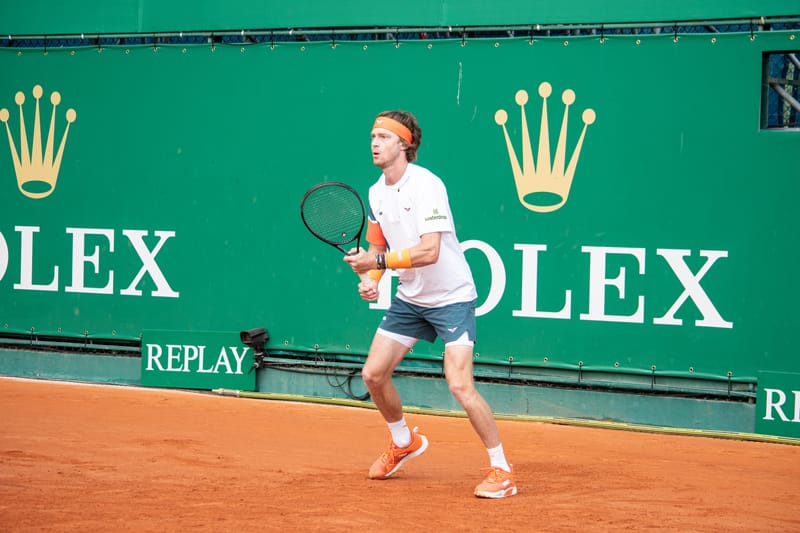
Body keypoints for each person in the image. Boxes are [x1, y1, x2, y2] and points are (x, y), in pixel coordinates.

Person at [343, 110, 517, 499]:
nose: (374, 143)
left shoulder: (427, 185)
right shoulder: (376, 193)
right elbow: (377, 248)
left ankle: (502, 469)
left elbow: (429, 251)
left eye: (384, 137)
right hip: (411, 298)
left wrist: (378, 264)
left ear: (404, 144)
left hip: (452, 296)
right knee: (373, 374)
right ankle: (403, 441)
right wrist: (371, 279)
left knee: (459, 384)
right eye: (372, 135)